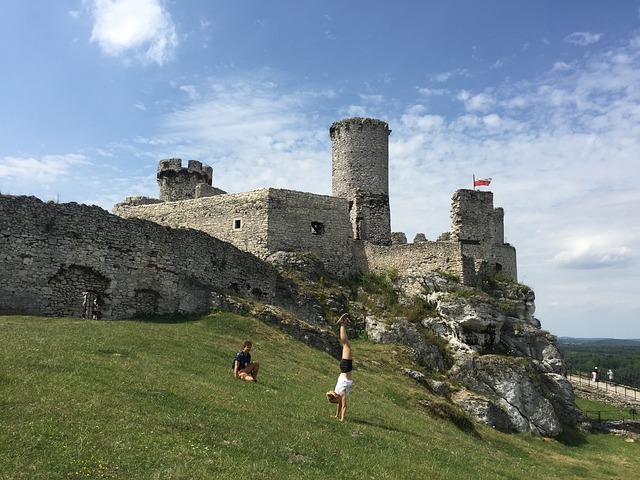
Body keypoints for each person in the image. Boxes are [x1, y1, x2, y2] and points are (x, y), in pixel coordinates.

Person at [326, 314, 353, 422]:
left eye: (337, 401)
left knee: (346, 344)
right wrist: (336, 416)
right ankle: (343, 324)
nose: (339, 402)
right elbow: (340, 404)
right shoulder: (337, 392)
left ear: (336, 397)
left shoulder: (341, 392)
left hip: (346, 368)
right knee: (345, 345)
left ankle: (342, 323)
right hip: (343, 368)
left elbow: (344, 406)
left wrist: (342, 419)